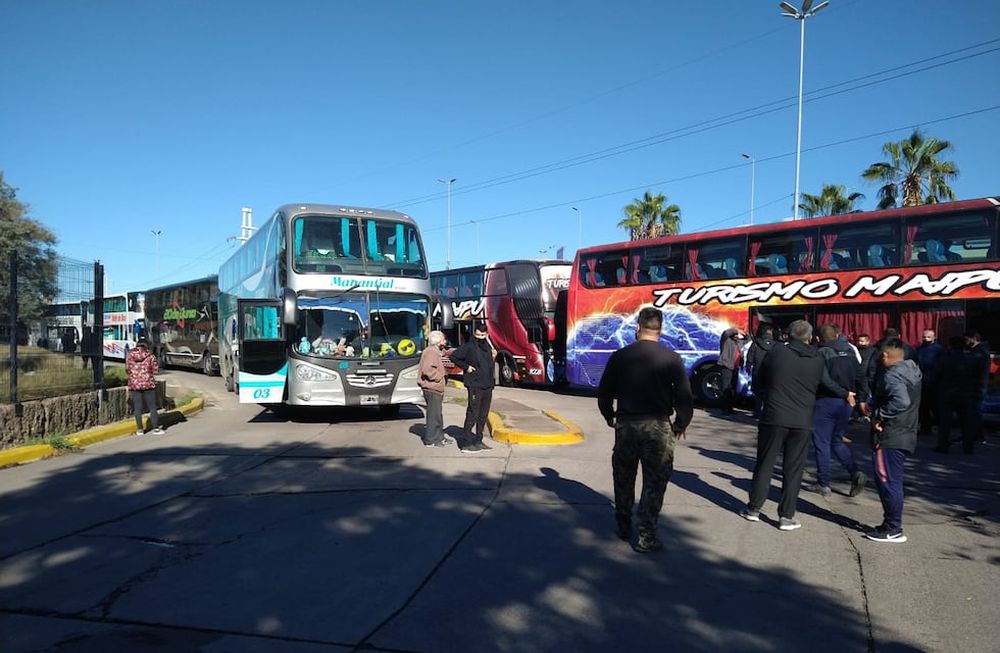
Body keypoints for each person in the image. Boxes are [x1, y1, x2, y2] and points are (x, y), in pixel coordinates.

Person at [598, 307, 693, 553]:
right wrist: (681, 423)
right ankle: (646, 535)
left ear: (637, 327)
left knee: (623, 477)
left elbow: (604, 393)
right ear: (660, 330)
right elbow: (685, 396)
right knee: (655, 481)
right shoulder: (671, 358)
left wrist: (610, 416)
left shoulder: (619, 356)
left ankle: (622, 523)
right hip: (658, 426)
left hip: (627, 425)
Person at [742, 320, 824, 531]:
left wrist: (765, 397)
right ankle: (786, 515)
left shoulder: (777, 352)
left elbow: (759, 380)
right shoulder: (818, 358)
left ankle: (754, 508)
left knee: (765, 463)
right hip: (802, 419)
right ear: (809, 337)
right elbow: (823, 386)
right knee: (794, 469)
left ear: (788, 335)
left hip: (774, 416)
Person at [866, 337, 921, 543]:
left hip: (892, 434)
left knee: (888, 481)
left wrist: (879, 414)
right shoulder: (912, 369)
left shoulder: (892, 375)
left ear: (885, 355)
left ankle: (893, 527)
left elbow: (901, 400)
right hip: (905, 431)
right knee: (892, 480)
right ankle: (890, 523)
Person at [807, 324, 866, 498]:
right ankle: (855, 472)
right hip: (847, 403)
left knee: (821, 442)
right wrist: (860, 398)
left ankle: (824, 483)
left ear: (818, 338)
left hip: (827, 401)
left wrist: (845, 393)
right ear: (838, 335)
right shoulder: (849, 350)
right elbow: (861, 376)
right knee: (836, 440)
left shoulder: (821, 352)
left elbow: (823, 380)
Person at [448, 323, 496, 453]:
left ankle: (478, 439)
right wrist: (466, 367)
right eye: (478, 334)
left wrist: (493, 357)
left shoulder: (488, 347)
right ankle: (467, 442)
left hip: (487, 385)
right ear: (474, 333)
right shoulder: (469, 346)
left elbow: (489, 365)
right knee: (473, 412)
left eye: (483, 335)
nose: (480, 337)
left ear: (487, 335)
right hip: (475, 384)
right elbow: (454, 356)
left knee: (483, 414)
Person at [932, 336, 974, 454]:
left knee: (945, 422)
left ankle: (943, 445)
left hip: (947, 392)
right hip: (965, 393)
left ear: (950, 345)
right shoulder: (970, 359)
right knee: (966, 421)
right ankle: (968, 446)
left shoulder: (945, 359)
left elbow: (936, 374)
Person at [417, 330, 450, 448]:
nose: (445, 341)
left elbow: (446, 353)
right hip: (432, 388)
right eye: (443, 339)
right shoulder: (431, 352)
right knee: (433, 415)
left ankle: (439, 437)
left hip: (435, 388)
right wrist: (440, 377)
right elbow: (427, 370)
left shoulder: (436, 351)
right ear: (437, 341)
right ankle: (431, 439)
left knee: (437, 415)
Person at [126, 337, 163, 435]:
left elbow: (127, 369)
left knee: (138, 407)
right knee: (152, 407)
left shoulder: (130, 355)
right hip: (148, 384)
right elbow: (156, 371)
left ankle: (140, 430)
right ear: (147, 345)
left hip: (134, 385)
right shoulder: (150, 356)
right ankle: (156, 429)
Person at [962, 330, 990, 452]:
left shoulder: (980, 352)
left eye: (967, 338)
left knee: (975, 410)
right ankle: (974, 434)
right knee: (974, 410)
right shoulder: (976, 351)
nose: (965, 341)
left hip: (977, 386)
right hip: (976, 385)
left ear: (973, 338)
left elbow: (973, 369)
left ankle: (977, 435)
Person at [915, 329, 944, 436]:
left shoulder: (939, 350)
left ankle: (940, 427)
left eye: (928, 337)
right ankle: (925, 427)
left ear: (934, 337)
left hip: (933, 383)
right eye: (924, 337)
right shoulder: (919, 349)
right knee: (923, 407)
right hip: (921, 382)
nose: (925, 339)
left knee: (935, 406)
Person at [745, 324, 776, 420]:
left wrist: (748, 367)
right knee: (768, 394)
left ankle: (757, 412)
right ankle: (766, 413)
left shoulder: (756, 343)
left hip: (757, 371)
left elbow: (750, 355)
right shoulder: (775, 345)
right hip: (769, 373)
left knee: (758, 393)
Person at [718, 327, 743, 415]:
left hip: (735, 367)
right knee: (725, 388)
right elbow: (725, 332)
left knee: (732, 389)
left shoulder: (738, 343)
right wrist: (736, 330)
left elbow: (747, 340)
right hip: (726, 366)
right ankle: (724, 408)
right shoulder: (726, 341)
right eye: (735, 335)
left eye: (737, 335)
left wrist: (745, 334)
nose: (737, 336)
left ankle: (730, 408)